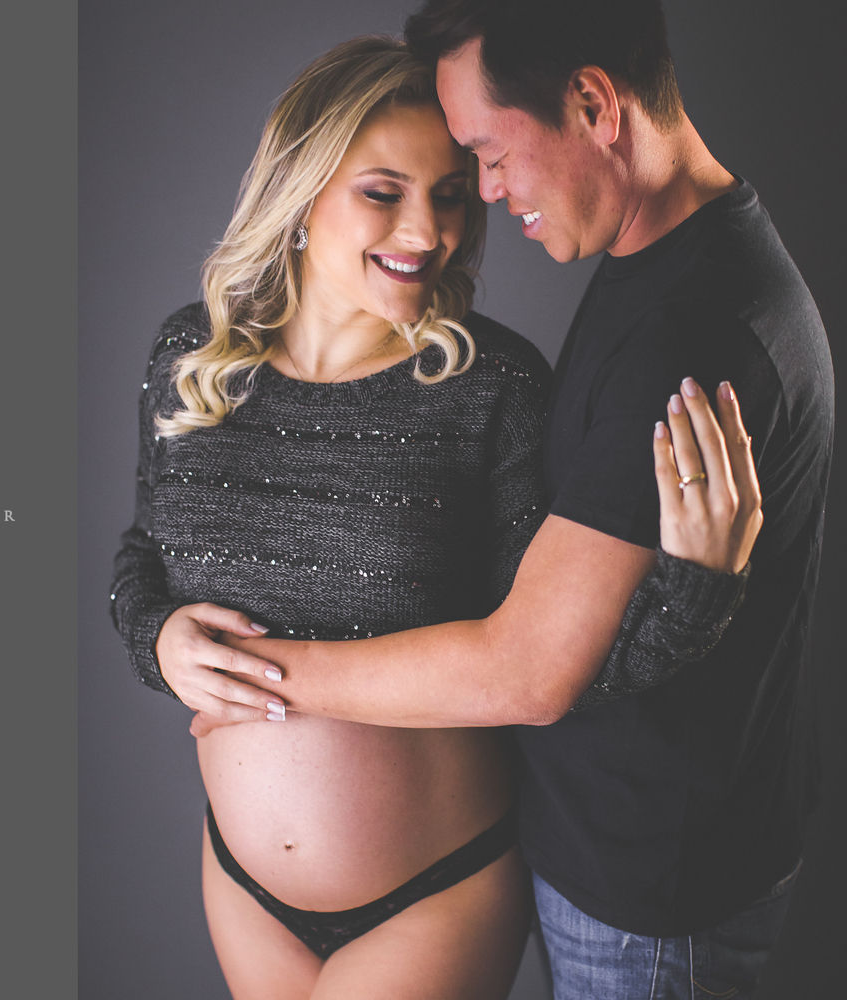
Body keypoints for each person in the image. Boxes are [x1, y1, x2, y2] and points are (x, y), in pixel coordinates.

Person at [188, 3, 833, 997]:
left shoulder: (690, 332)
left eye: (486, 156)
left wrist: (255, 681)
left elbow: (530, 668)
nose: (485, 194)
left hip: (650, 896)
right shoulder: (665, 256)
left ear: (594, 104)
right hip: (613, 850)